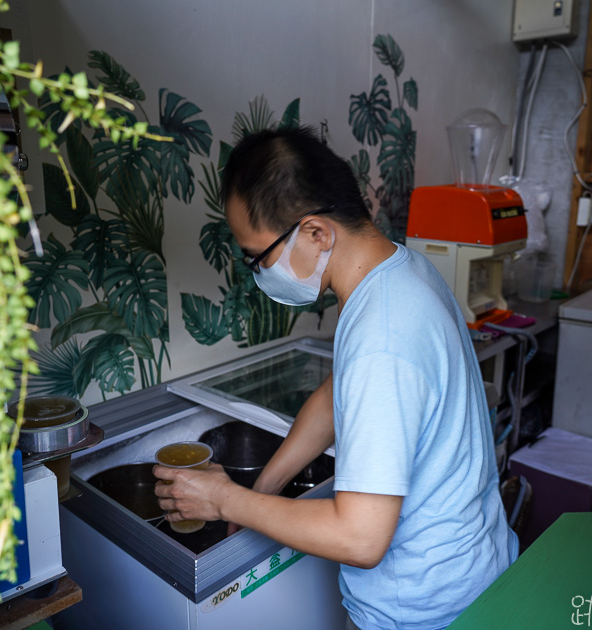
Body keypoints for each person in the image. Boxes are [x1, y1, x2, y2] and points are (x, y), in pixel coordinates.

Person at [154, 127, 518, 630]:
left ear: (317, 233)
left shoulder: (382, 335)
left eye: (259, 256)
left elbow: (360, 539)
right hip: (469, 563)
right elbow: (335, 395)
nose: (258, 272)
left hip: (425, 608)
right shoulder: (398, 271)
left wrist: (224, 498)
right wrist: (266, 485)